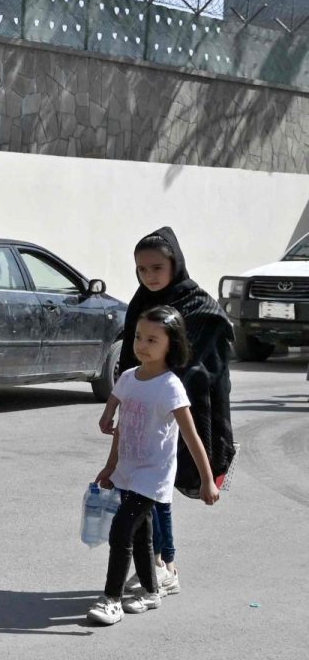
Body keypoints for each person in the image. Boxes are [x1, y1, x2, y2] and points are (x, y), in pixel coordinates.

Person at [102, 227, 235, 595]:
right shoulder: (140, 302)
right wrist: (122, 401)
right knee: (147, 488)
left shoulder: (199, 305)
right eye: (142, 269)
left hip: (178, 409)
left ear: (175, 263)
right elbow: (130, 358)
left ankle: (164, 563)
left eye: (157, 267)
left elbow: (210, 364)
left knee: (154, 489)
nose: (150, 276)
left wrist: (163, 384)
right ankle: (162, 563)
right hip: (142, 412)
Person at [88, 306, 220, 626]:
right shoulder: (129, 377)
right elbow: (120, 422)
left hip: (153, 474)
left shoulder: (170, 386)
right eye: (138, 337)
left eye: (152, 339)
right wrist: (110, 464)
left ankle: (112, 600)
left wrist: (207, 480)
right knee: (141, 534)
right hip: (127, 470)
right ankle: (150, 591)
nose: (141, 345)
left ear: (170, 345)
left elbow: (191, 437)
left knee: (122, 529)